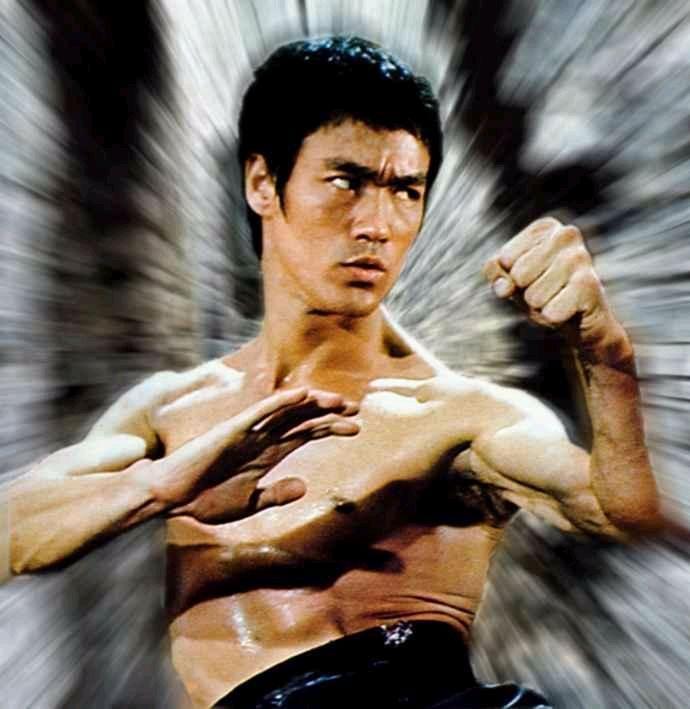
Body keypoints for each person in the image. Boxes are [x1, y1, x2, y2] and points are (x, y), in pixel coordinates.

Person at [3, 36, 661, 708]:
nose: (377, 224)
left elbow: (618, 511)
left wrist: (606, 358)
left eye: (405, 191)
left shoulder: (458, 414)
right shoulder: (169, 410)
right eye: (347, 182)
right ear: (263, 184)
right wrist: (158, 487)